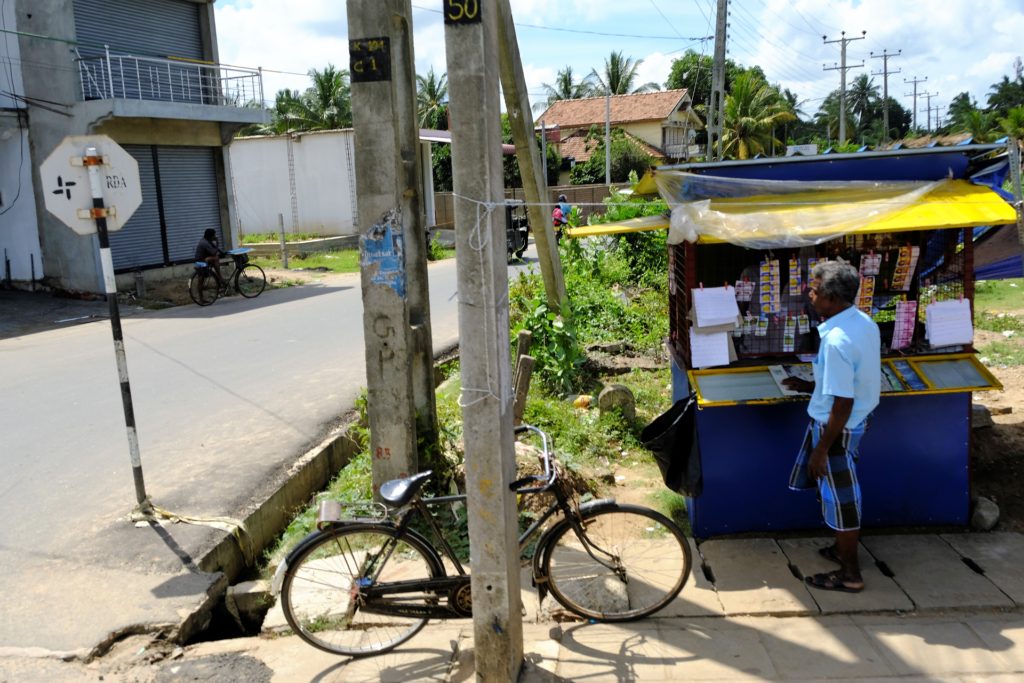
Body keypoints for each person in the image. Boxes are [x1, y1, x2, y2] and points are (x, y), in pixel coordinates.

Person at [782, 259, 880, 594]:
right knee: (837, 494)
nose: (809, 294)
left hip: (837, 430)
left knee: (841, 500)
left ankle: (850, 574)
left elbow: (843, 403)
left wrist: (821, 450)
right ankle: (841, 550)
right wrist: (813, 386)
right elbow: (849, 383)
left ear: (832, 297)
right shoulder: (863, 324)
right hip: (852, 423)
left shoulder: (836, 340)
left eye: (814, 288)